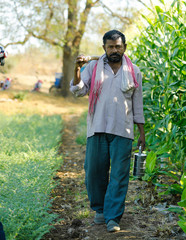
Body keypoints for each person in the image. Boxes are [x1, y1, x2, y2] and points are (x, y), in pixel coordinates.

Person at [70, 30, 146, 232]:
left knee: (120, 175)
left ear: (125, 47)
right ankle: (100, 210)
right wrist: (77, 69)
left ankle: (113, 217)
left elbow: (137, 104)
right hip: (97, 128)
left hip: (124, 129)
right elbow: (78, 90)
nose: (115, 50)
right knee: (94, 171)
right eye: (111, 46)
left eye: (118, 46)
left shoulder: (133, 71)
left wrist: (142, 133)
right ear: (104, 47)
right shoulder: (93, 67)